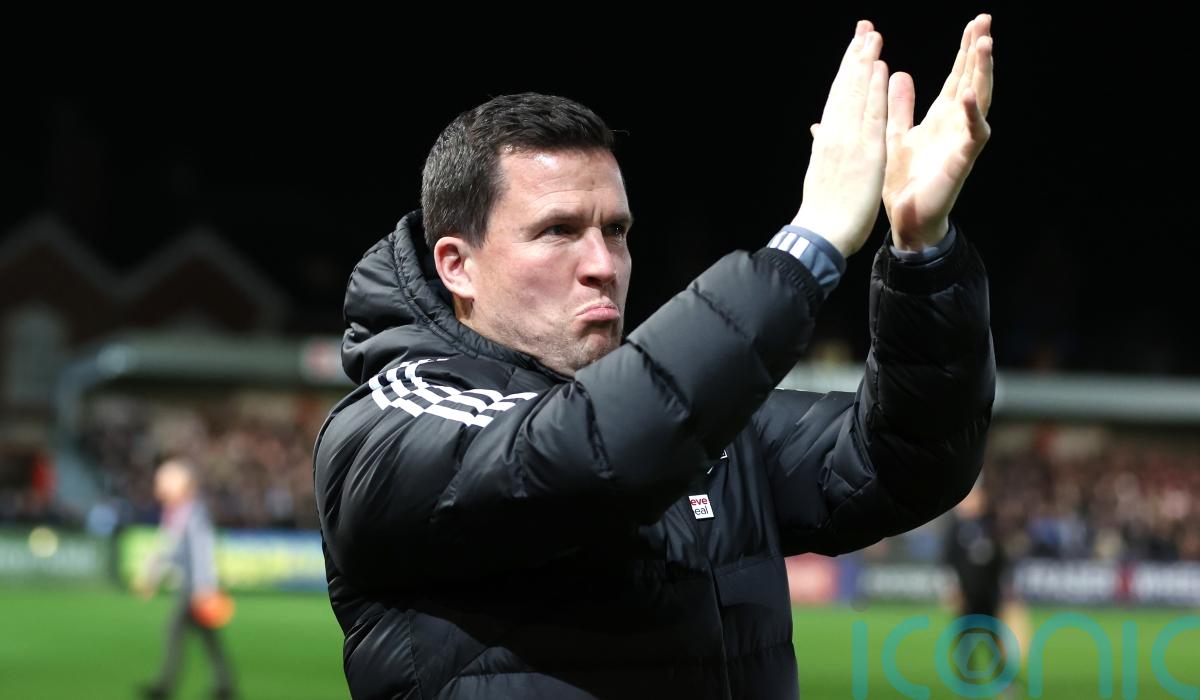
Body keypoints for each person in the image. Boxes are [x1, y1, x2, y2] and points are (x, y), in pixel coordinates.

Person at [315, 15, 996, 699]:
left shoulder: (702, 426)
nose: (602, 264)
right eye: (558, 230)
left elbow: (908, 462)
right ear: (457, 265)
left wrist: (922, 255)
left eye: (616, 230)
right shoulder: (387, 425)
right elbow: (582, 456)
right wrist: (809, 242)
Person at [135, 458, 235, 700]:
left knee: (175, 632)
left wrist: (204, 587)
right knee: (208, 638)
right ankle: (224, 685)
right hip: (193, 588)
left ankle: (165, 685)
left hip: (195, 589)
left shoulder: (192, 512)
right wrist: (151, 576)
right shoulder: (178, 511)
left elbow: (202, 550)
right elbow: (168, 549)